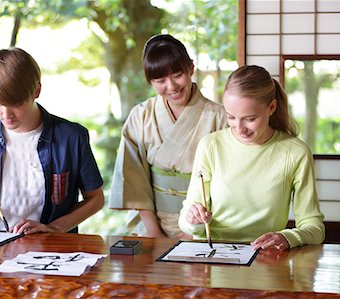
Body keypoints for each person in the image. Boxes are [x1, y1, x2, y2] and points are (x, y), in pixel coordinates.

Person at [0, 48, 104, 235]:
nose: (6, 115)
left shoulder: (71, 137)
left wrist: (54, 228)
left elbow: (96, 199)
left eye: (15, 104)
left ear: (37, 91)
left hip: (50, 249)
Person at [179, 65, 325, 250]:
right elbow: (185, 222)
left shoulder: (296, 153)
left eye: (250, 118)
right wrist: (193, 219)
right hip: (214, 254)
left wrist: (288, 237)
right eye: (231, 117)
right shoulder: (210, 145)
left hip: (266, 257)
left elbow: (315, 228)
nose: (239, 129)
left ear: (271, 107)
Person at [109, 34, 227, 238]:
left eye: (177, 74)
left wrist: (194, 231)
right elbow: (134, 179)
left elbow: (229, 181)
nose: (171, 86)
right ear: (150, 81)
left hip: (206, 224)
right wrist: (155, 235)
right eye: (160, 80)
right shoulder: (141, 115)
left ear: (191, 68)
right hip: (151, 225)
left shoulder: (219, 117)